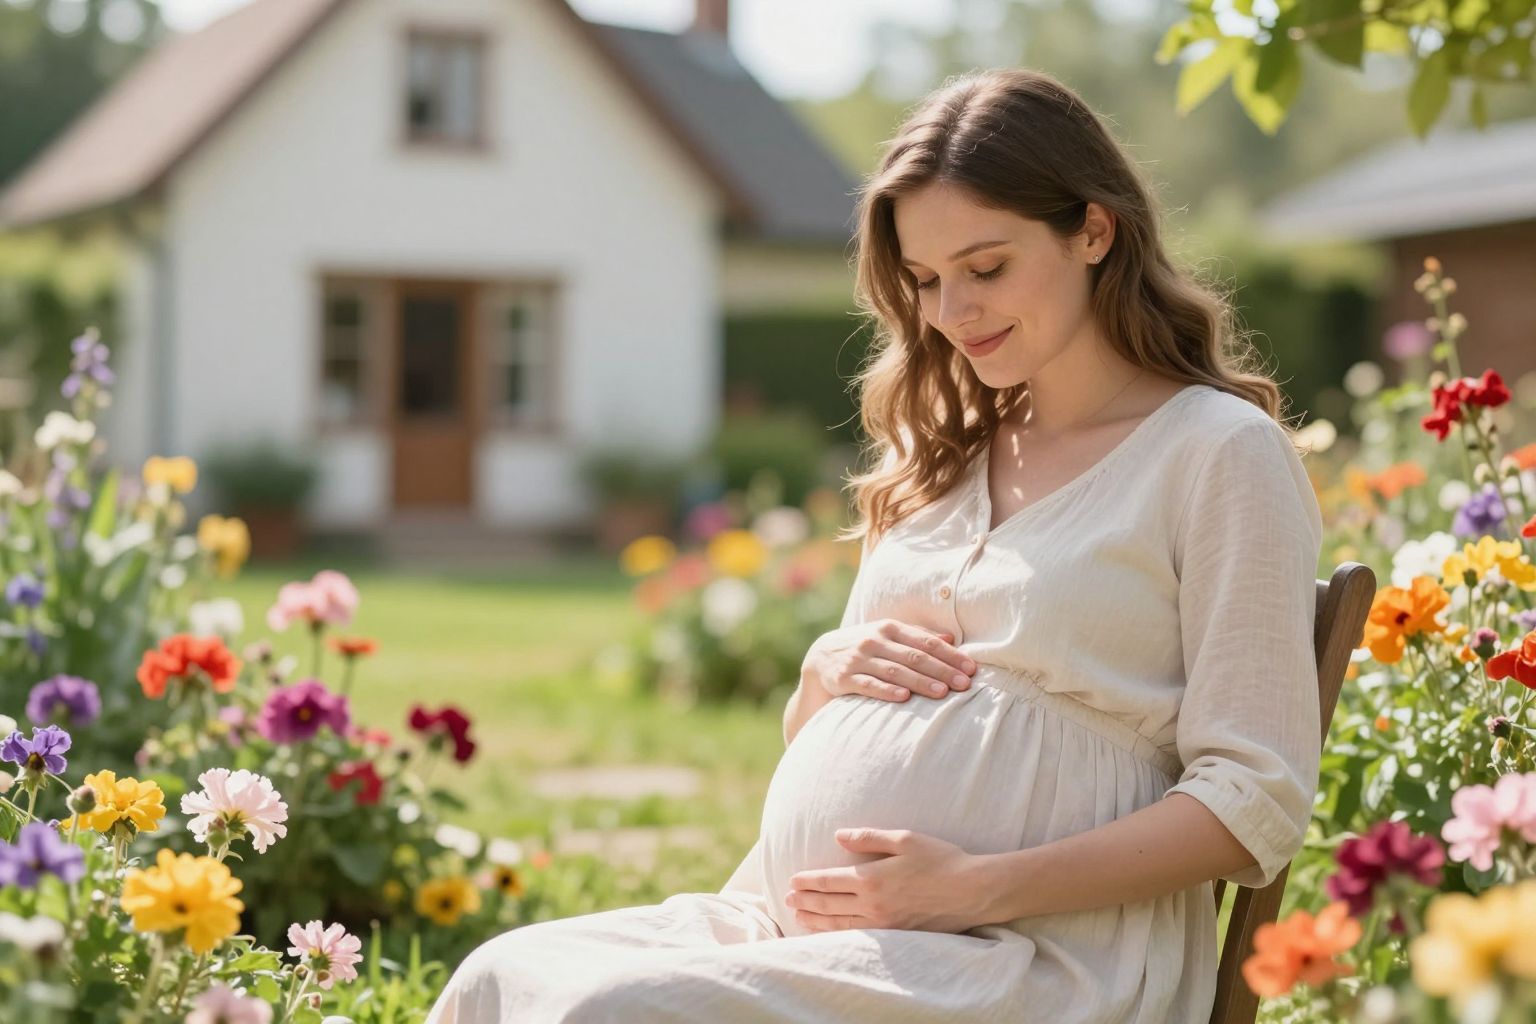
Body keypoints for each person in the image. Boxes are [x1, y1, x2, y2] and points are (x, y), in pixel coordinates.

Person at [426, 66, 1324, 1024]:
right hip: (811, 929)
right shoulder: (941, 455)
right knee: (499, 977)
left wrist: (979, 885)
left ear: (1094, 231)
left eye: (987, 267)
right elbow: (826, 733)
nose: (952, 312)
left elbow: (1254, 802)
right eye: (928, 280)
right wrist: (822, 673)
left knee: (618, 1012)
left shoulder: (1217, 453)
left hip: (1039, 954)